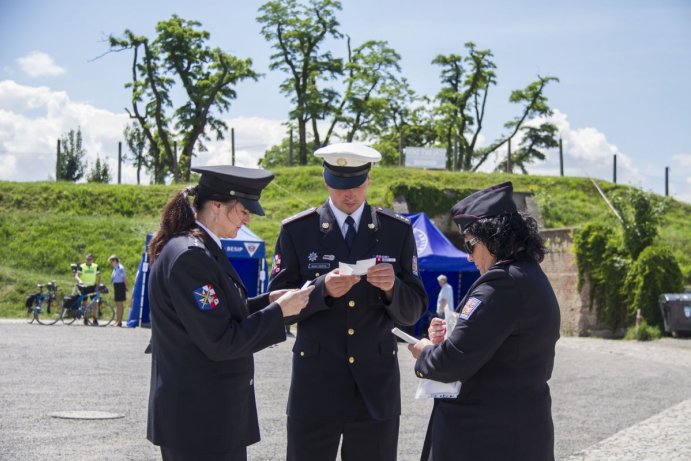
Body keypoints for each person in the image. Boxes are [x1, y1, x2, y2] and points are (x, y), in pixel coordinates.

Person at [268, 142, 428, 461]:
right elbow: (277, 308)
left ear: (368, 180)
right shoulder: (298, 231)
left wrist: (392, 289)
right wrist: (320, 290)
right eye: (341, 186)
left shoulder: (396, 231)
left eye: (356, 185)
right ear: (327, 181)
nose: (349, 195)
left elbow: (414, 309)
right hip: (315, 388)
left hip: (374, 388)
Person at [146, 165, 314, 461]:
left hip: (204, 418)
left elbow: (216, 316)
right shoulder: (191, 256)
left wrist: (268, 301)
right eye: (243, 210)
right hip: (201, 422)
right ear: (217, 205)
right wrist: (278, 312)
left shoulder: (196, 248)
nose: (247, 219)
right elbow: (221, 340)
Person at [407, 181, 561, 461]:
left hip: (485, 437)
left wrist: (425, 352)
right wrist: (448, 337)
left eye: (470, 244)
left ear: (493, 238)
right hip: (515, 431)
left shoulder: (501, 284)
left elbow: (451, 362)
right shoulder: (529, 277)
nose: (468, 255)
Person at [75, 253, 101, 325]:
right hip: (84, 287)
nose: (88, 261)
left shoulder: (95, 266)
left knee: (95, 303)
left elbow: (99, 277)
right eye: (87, 259)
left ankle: (94, 319)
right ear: (85, 259)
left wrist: (97, 286)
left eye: (90, 259)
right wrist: (80, 281)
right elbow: (77, 275)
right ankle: (85, 318)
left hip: (92, 287)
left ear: (92, 260)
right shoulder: (82, 266)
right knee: (85, 303)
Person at [108, 255, 128, 327]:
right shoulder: (115, 268)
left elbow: (124, 278)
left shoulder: (120, 268)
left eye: (113, 260)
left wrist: (126, 287)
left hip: (120, 286)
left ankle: (119, 321)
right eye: (111, 261)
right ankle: (117, 320)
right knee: (117, 304)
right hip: (116, 286)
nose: (112, 262)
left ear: (116, 260)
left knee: (120, 304)